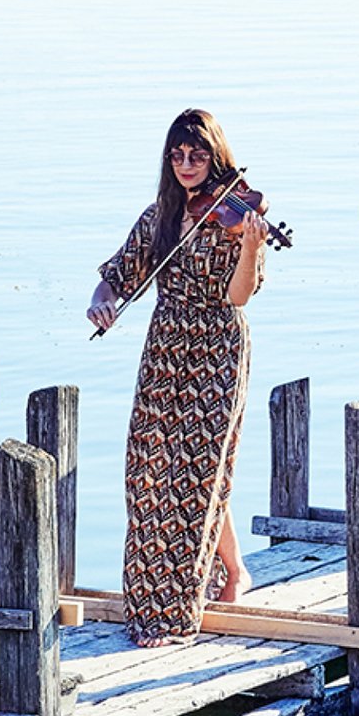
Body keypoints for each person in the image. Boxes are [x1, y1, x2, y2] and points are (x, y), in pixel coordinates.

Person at [86, 109, 268, 647]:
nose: (187, 165)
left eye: (198, 156)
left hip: (218, 346)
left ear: (216, 157)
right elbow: (115, 279)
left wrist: (253, 247)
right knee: (153, 469)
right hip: (165, 344)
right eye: (178, 156)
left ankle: (174, 611)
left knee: (199, 470)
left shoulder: (238, 215)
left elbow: (237, 296)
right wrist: (104, 305)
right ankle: (230, 573)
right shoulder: (160, 216)